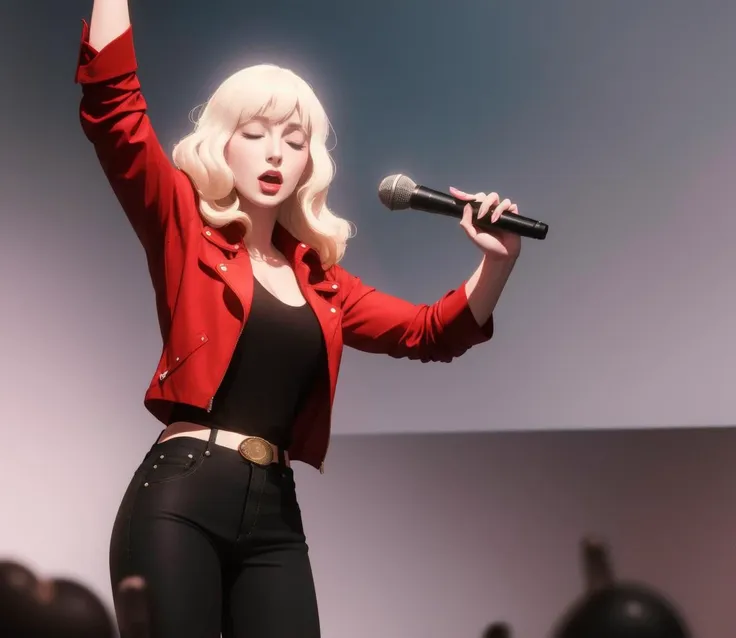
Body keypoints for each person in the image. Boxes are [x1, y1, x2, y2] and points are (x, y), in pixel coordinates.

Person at [76, 1, 523, 636]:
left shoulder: (321, 280)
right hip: (180, 497)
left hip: (275, 514)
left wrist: (499, 262)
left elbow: (429, 333)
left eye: (295, 139)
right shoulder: (186, 228)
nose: (276, 154)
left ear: (310, 161)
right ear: (221, 142)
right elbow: (113, 109)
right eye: (255, 133)